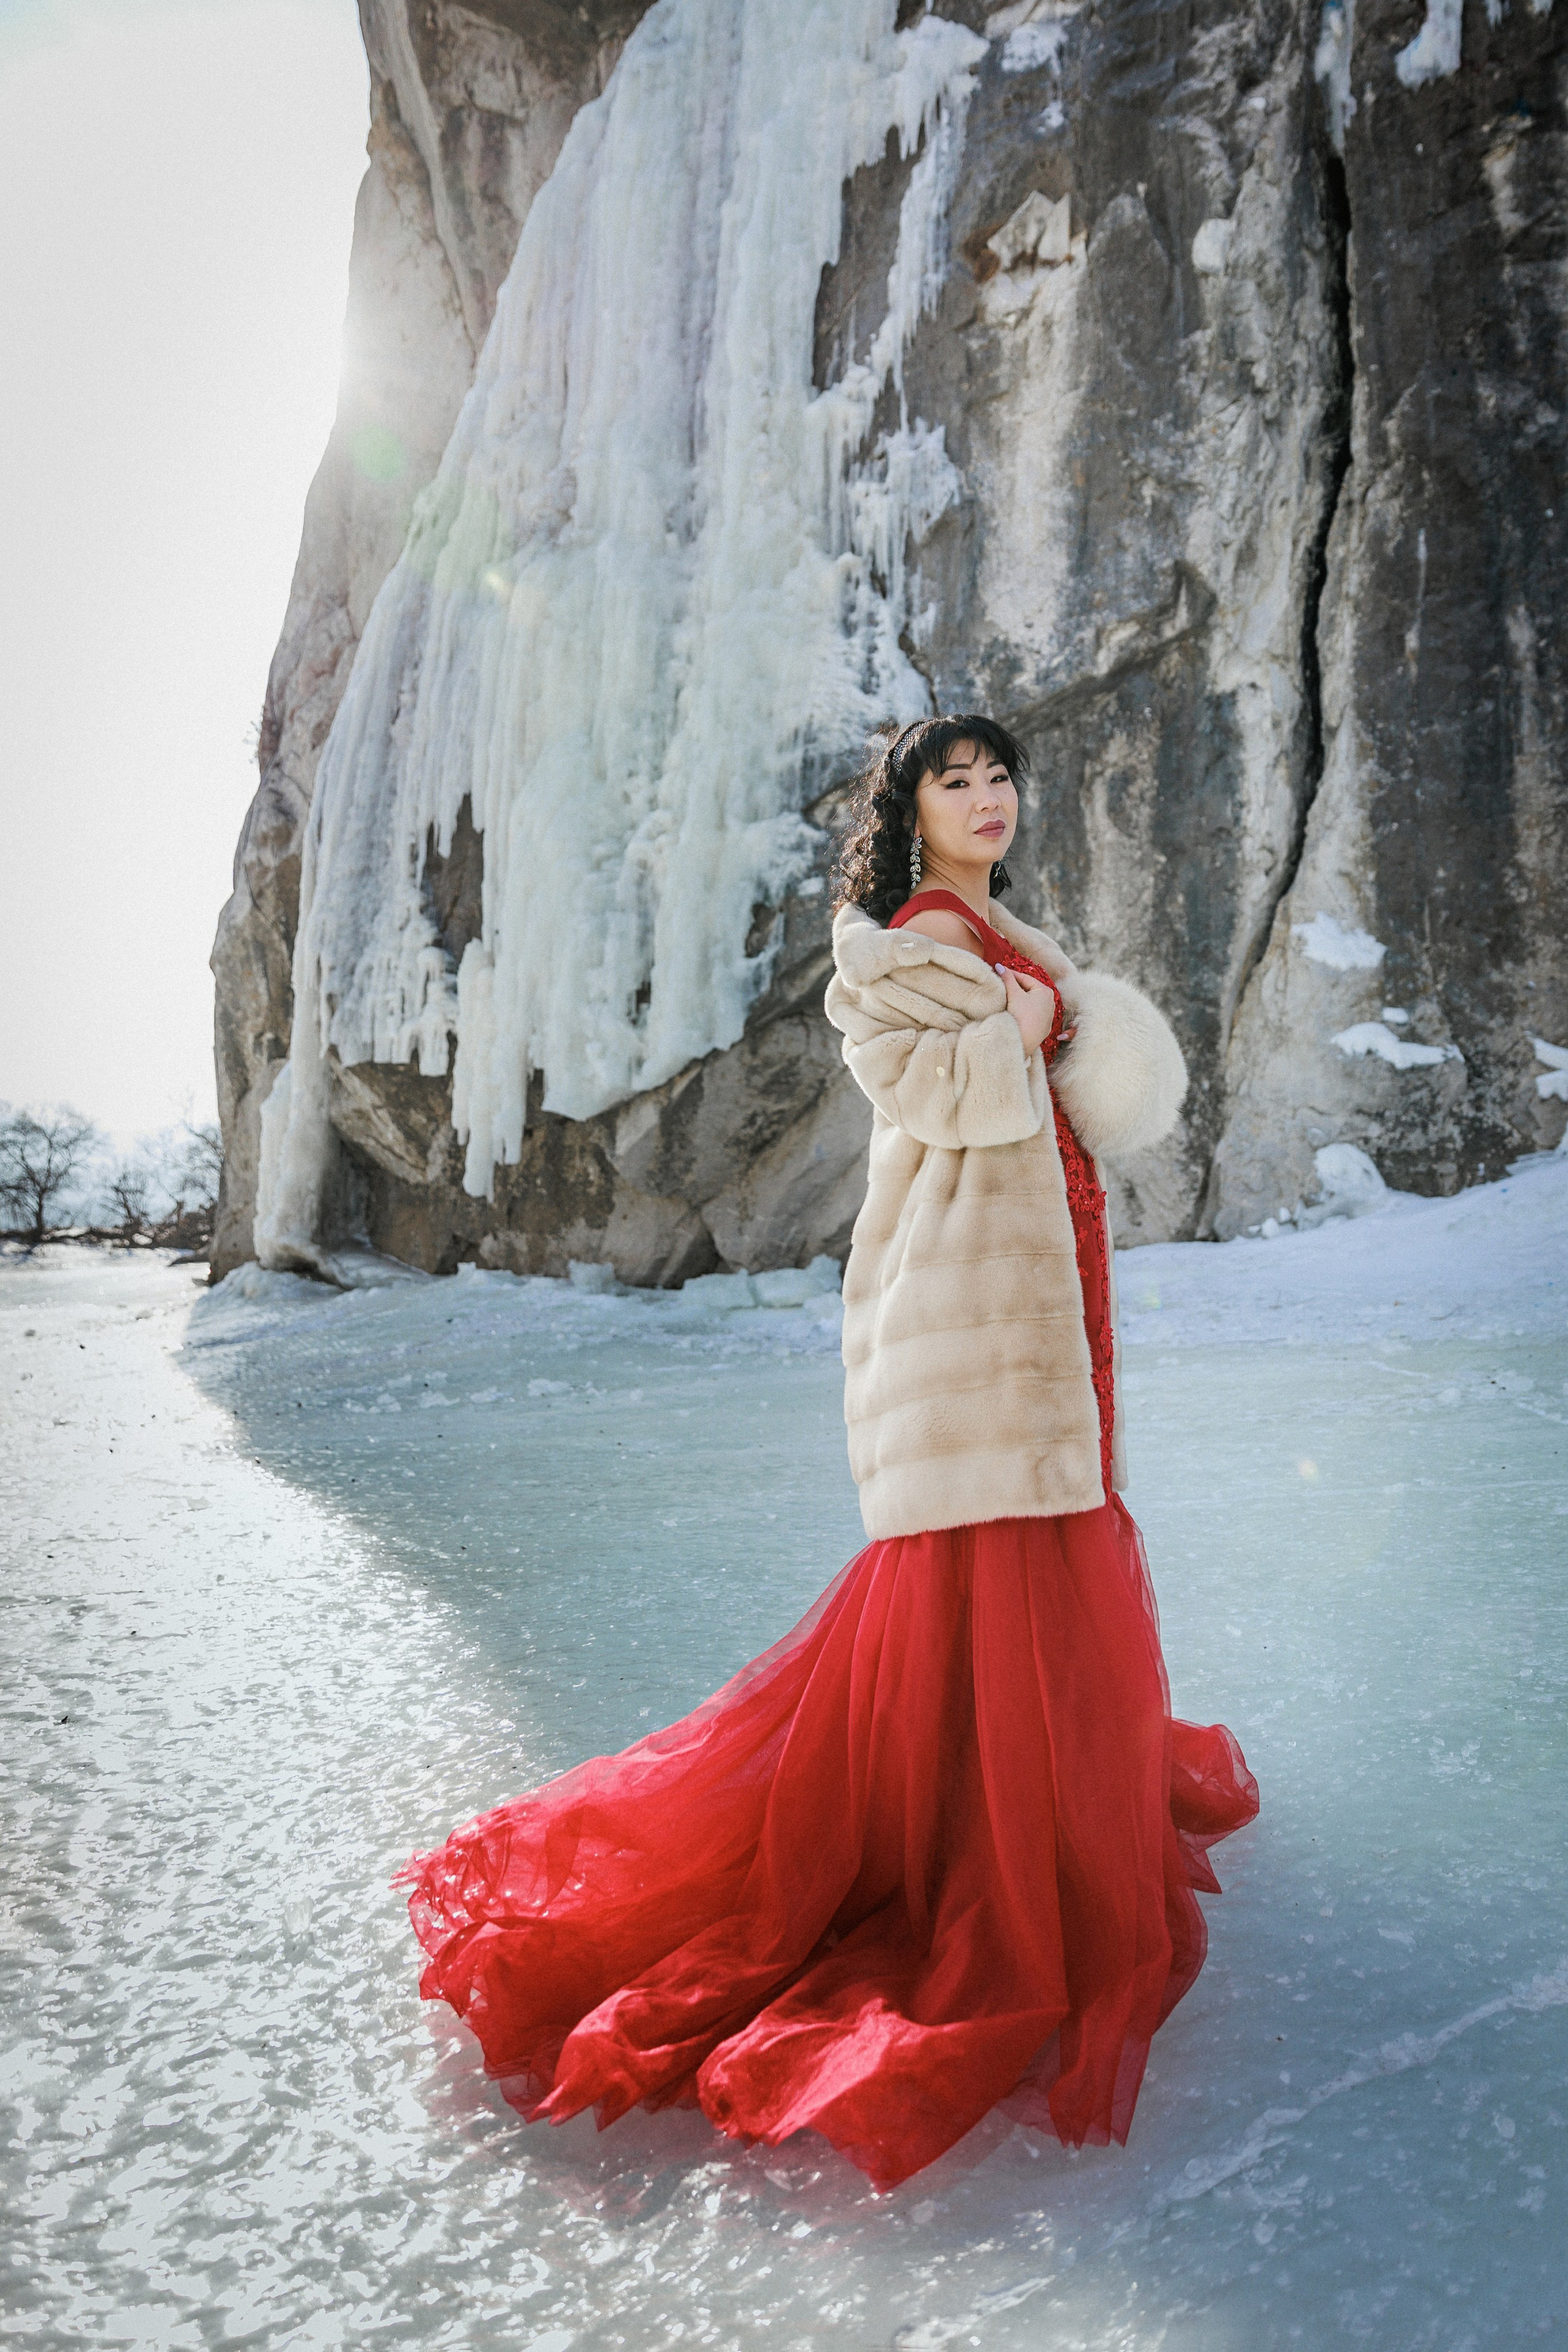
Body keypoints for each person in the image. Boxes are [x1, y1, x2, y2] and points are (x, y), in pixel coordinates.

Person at [398, 714, 1258, 2192]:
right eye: (955, 781)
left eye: (998, 779)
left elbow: (1058, 1089)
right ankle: (979, 1843)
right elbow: (934, 1094)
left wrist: (1062, 1024)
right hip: (977, 1290)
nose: (986, 801)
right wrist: (1042, 1026)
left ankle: (1025, 1806)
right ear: (908, 809)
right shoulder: (902, 941)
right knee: (995, 1539)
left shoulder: (993, 924)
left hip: (1043, 1266)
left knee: (1047, 1519)